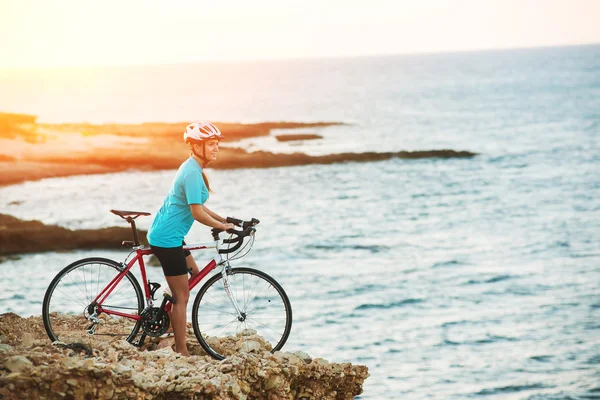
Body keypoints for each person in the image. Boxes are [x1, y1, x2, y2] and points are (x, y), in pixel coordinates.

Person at [147, 121, 235, 356]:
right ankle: (182, 351)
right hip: (168, 239)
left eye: (217, 144)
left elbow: (201, 207)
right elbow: (197, 213)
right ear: (197, 146)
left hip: (171, 235)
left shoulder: (192, 168)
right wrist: (221, 226)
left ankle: (164, 312)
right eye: (212, 144)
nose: (216, 148)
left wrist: (227, 221)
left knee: (195, 276)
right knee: (182, 297)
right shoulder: (192, 173)